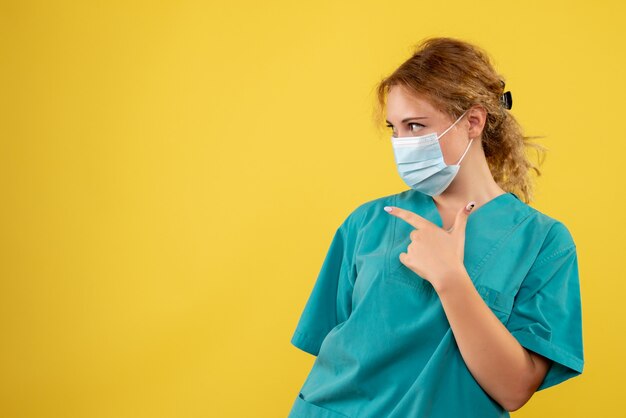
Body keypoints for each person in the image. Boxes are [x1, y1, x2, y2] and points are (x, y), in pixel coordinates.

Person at [287, 37, 584, 418]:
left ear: (473, 121)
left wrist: (451, 279)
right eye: (395, 128)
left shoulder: (542, 242)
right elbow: (341, 356)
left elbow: (514, 391)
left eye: (416, 125)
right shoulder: (366, 222)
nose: (402, 143)